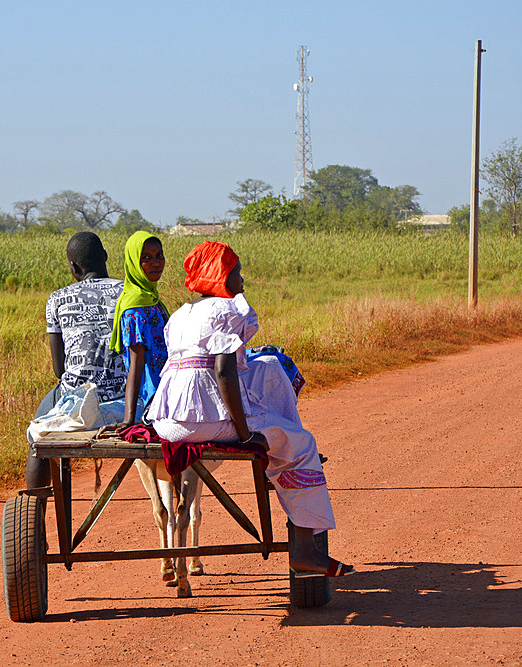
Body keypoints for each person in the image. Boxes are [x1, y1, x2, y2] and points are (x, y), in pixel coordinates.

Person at [145, 241, 353, 577]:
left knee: (268, 367)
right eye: (236, 272)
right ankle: (304, 549)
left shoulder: (182, 314)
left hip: (168, 420)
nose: (241, 280)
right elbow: (224, 371)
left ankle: (280, 457)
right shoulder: (227, 310)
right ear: (221, 277)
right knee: (302, 444)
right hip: (202, 421)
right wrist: (245, 435)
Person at [26, 231, 125, 490]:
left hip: (77, 399)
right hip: (127, 396)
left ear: (74, 267)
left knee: (35, 437)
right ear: (104, 257)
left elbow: (60, 370)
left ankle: (35, 501)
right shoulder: (128, 292)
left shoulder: (57, 299)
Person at [106, 230, 169, 429]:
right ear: (134, 263)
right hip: (155, 397)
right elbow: (137, 362)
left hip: (168, 388)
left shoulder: (152, 298)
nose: (156, 263)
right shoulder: (135, 308)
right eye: (146, 258)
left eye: (159, 256)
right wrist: (129, 420)